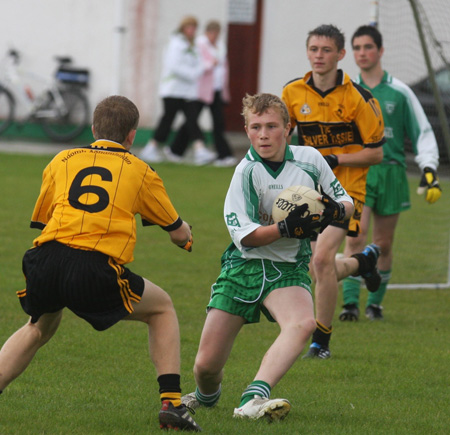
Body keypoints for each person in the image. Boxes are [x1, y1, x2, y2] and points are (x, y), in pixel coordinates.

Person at [0, 96, 201, 432]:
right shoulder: (141, 171)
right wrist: (188, 237)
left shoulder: (62, 159)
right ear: (132, 135)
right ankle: (172, 404)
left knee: (38, 327)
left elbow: (43, 219)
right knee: (162, 308)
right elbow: (179, 234)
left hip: (45, 258)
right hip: (92, 266)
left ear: (94, 129)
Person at [180, 93, 379, 421]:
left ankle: (253, 399)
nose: (263, 134)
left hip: (288, 267)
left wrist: (330, 210)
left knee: (302, 323)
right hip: (243, 266)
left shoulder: (309, 159)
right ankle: (205, 395)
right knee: (205, 366)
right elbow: (247, 236)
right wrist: (286, 228)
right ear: (246, 130)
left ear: (287, 128)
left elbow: (346, 204)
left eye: (272, 126)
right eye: (256, 127)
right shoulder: (245, 173)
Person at [281, 24, 385, 359]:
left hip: (347, 192)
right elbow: (282, 136)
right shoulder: (293, 93)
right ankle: (362, 262)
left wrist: (335, 157)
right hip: (311, 191)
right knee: (318, 266)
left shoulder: (359, 98)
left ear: (340, 55)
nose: (319, 56)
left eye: (326, 50)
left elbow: (376, 152)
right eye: (313, 49)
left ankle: (320, 342)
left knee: (322, 259)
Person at [339, 25, 442, 321]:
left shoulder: (400, 91)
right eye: (357, 48)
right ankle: (349, 305)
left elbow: (422, 132)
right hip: (359, 172)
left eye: (368, 47)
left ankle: (375, 304)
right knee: (355, 238)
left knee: (383, 245)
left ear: (381, 51)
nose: (362, 53)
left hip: (393, 173)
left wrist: (428, 168)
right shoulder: (347, 90)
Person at [140, 16, 215, 166]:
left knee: (192, 119)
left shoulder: (192, 46)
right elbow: (174, 66)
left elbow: (197, 64)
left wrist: (201, 68)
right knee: (168, 119)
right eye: (189, 27)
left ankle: (199, 149)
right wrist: (194, 74)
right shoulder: (176, 44)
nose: (192, 30)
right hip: (173, 90)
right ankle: (151, 147)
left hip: (187, 92)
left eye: (194, 27)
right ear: (183, 28)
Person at [166, 20, 237, 167]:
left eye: (217, 34)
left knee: (217, 122)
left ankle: (223, 155)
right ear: (207, 32)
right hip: (201, 90)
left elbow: (223, 67)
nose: (214, 37)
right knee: (191, 121)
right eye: (212, 33)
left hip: (216, 90)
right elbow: (200, 64)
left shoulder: (220, 45)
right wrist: (211, 64)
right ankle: (175, 150)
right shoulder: (200, 43)